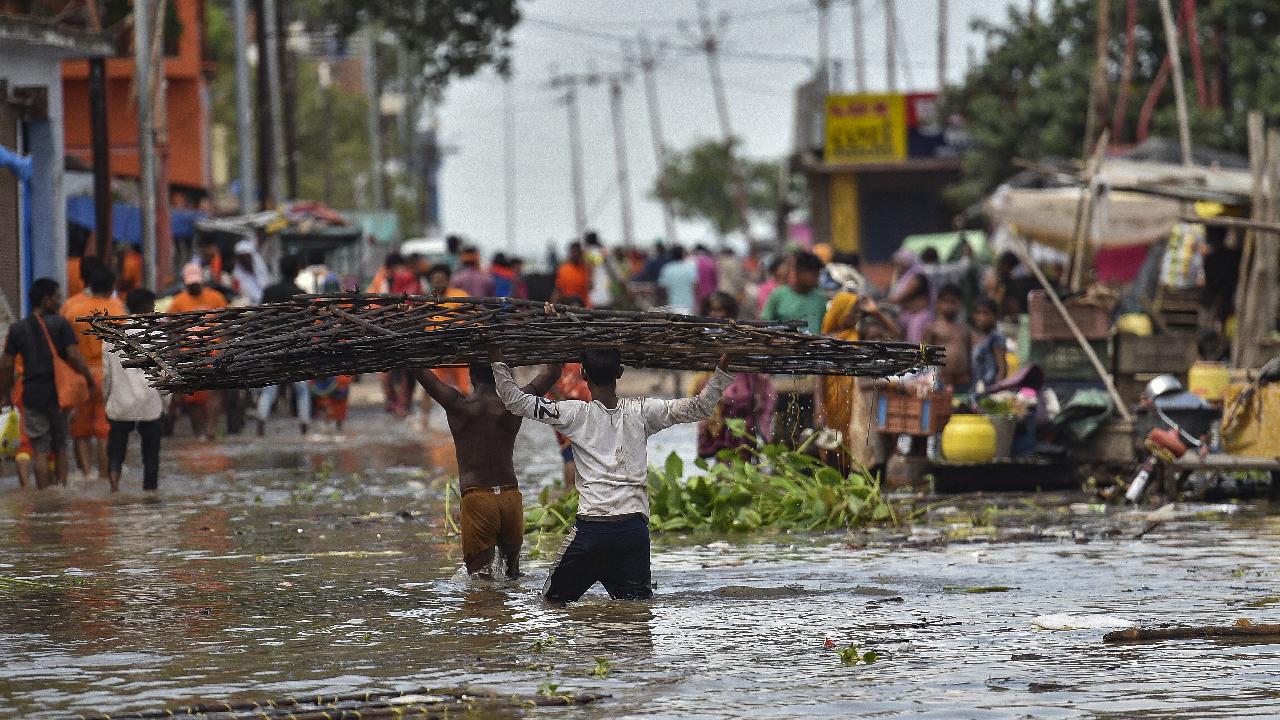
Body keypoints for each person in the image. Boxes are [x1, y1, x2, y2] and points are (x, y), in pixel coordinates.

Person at [492, 341, 734, 604]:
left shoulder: (573, 413)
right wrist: (720, 373)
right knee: (637, 610)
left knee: (551, 603)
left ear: (583, 374)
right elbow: (700, 407)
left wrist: (497, 360)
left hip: (593, 531)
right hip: (633, 530)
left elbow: (514, 401)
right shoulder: (642, 411)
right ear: (620, 372)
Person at [413, 359, 561, 577]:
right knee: (513, 577)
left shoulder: (458, 404)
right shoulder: (514, 404)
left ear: (471, 376)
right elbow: (553, 372)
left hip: (478, 499)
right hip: (510, 498)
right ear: (502, 377)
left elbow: (420, 371)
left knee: (481, 584)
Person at [0, 278, 96, 489]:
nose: (59, 301)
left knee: (40, 449)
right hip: (60, 394)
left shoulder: (17, 329)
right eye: (56, 296)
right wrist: (88, 379)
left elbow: (6, 365)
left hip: (33, 395)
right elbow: (74, 356)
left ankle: (44, 497)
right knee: (60, 445)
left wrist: (5, 395)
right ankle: (60, 491)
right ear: (46, 299)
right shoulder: (61, 324)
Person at [61, 266, 125, 479]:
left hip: (79, 377)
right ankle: (105, 477)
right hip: (108, 376)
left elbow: (64, 347)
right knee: (104, 431)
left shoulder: (72, 308)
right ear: (110, 287)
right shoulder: (117, 309)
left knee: (80, 431)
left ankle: (86, 474)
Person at [694, 292, 773, 459]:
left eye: (721, 310)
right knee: (721, 449)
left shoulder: (740, 336)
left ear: (730, 313)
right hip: (717, 398)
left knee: (744, 447)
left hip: (740, 394)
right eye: (712, 310)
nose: (716, 314)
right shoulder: (702, 337)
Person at [762, 251, 828, 446]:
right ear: (798, 272)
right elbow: (765, 327)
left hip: (812, 367)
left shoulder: (820, 298)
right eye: (813, 274)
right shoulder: (778, 295)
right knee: (782, 420)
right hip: (783, 367)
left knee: (810, 421)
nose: (816, 279)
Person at [103, 289, 167, 492]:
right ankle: (150, 494)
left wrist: (107, 398)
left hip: (120, 402)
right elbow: (165, 374)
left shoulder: (112, 337)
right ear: (146, 307)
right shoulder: (158, 336)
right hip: (150, 401)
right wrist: (166, 402)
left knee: (116, 451)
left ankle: (114, 488)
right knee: (151, 455)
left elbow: (106, 375)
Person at [169, 264, 229, 439]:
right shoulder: (178, 302)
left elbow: (225, 326)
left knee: (214, 390)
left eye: (196, 282)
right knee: (192, 396)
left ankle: (210, 428)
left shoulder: (216, 298)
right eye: (191, 284)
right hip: (189, 353)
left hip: (212, 350)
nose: (194, 286)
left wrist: (222, 348)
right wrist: (176, 352)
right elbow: (172, 329)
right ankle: (199, 432)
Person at [257, 255, 311, 436]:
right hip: (295, 345)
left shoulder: (269, 291)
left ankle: (261, 425)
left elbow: (260, 319)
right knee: (301, 389)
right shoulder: (301, 293)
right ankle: (304, 426)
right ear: (296, 270)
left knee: (270, 388)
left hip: (273, 344)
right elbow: (308, 322)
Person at [545, 296, 592, 487]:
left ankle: (575, 494)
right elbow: (550, 374)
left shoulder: (588, 339)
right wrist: (559, 398)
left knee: (583, 451)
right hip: (562, 400)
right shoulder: (558, 342)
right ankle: (570, 493)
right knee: (569, 449)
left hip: (586, 401)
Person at [923, 283, 972, 392]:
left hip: (962, 380)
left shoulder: (964, 329)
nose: (949, 306)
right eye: (945, 301)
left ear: (960, 304)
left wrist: (970, 373)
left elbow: (969, 354)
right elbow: (924, 354)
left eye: (953, 302)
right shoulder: (933, 328)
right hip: (942, 379)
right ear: (938, 303)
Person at [889, 248, 935, 343]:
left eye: (899, 263)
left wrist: (884, 302)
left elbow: (899, 298)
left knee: (916, 344)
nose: (897, 266)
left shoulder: (917, 276)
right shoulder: (904, 277)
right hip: (908, 316)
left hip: (919, 317)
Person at [970, 298, 1008, 391]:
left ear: (995, 316)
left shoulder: (995, 337)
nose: (981, 317)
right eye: (978, 313)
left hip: (989, 388)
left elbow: (1002, 367)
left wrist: (996, 389)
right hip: (977, 388)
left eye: (986, 313)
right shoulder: (976, 336)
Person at [657, 245, 696, 314]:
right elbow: (695, 286)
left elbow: (662, 288)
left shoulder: (667, 268)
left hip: (672, 305)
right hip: (688, 305)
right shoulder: (690, 268)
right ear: (683, 254)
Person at [231, 238, 271, 304]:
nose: (245, 260)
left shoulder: (261, 271)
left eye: (247, 257)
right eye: (242, 258)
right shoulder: (236, 277)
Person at [554, 241, 592, 306]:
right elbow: (558, 290)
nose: (575, 254)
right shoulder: (563, 269)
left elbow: (590, 287)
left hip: (584, 307)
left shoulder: (586, 269)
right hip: (568, 306)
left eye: (577, 252)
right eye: (573, 252)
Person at [692, 245, 719, 310]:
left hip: (698, 291)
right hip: (710, 291)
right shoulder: (711, 261)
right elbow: (715, 278)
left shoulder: (693, 261)